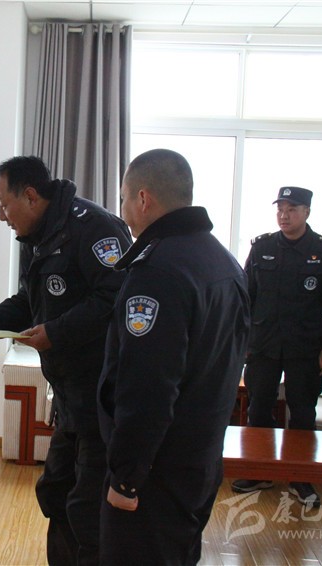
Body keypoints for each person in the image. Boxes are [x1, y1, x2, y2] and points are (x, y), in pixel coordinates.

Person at [0, 155, 132, 565]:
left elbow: (116, 297)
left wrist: (55, 332)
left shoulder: (94, 228)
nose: (1, 216)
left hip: (101, 396)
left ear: (29, 195)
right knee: (56, 491)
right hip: (69, 394)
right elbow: (30, 300)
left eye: (3, 204)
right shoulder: (39, 236)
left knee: (87, 509)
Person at [97, 148, 249, 565]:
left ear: (143, 199)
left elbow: (148, 387)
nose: (123, 213)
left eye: (124, 199)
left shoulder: (158, 272)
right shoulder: (222, 260)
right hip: (200, 461)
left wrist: (126, 479)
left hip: (155, 472)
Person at [232, 186, 322, 507]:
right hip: (263, 346)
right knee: (258, 409)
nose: (284, 215)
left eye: (292, 209)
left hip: (305, 348)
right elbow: (246, 298)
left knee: (303, 414)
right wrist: (244, 341)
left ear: (306, 212)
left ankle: (300, 477)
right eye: (280, 209)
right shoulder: (262, 247)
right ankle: (260, 470)